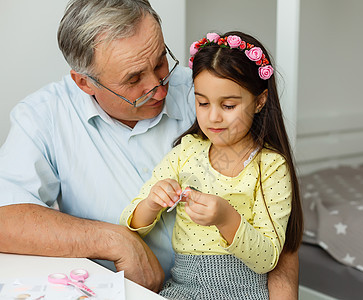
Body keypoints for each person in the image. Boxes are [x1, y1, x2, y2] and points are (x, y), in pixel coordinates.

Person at [0, 0, 300, 298]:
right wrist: (115, 239)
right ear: (84, 82)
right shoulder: (45, 117)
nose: (159, 87)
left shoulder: (208, 91)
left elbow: (279, 228)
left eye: (159, 62)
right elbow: (5, 219)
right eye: (133, 79)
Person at [120, 31, 303, 299]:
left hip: (244, 292)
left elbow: (268, 258)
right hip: (183, 289)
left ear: (260, 102)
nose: (213, 117)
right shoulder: (186, 151)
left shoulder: (271, 167)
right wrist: (151, 202)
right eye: (202, 103)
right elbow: (130, 222)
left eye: (228, 105)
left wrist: (226, 219)